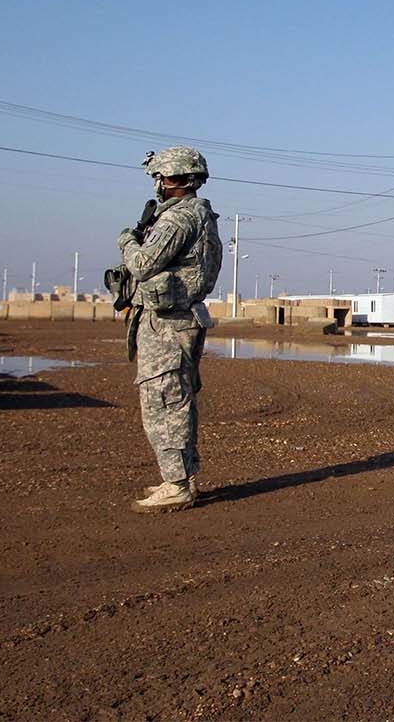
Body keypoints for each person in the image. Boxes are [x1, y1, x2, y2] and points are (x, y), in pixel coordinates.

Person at [118, 146, 223, 514]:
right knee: (177, 399)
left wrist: (127, 241)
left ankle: (176, 484)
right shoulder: (198, 214)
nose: (161, 184)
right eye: (160, 177)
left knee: (163, 401)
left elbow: (144, 264)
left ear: (187, 180)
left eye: (168, 177)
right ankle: (181, 476)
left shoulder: (179, 219)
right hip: (179, 320)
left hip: (169, 323)